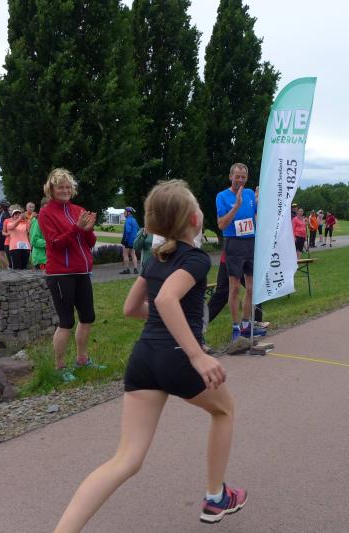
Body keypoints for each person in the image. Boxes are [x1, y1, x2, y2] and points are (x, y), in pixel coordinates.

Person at [54, 180, 245, 531]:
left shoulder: (156, 258)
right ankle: (216, 496)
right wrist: (197, 355)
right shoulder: (196, 259)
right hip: (178, 358)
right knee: (225, 410)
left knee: (126, 459)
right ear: (194, 219)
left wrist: (165, 320)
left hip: (144, 359)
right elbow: (166, 300)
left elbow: (131, 308)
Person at [39, 168, 103, 382]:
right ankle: (60, 367)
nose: (65, 190)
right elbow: (55, 244)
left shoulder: (78, 210)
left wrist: (88, 229)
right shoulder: (46, 213)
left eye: (68, 187)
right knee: (66, 321)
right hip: (60, 274)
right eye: (61, 187)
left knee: (88, 317)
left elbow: (90, 243)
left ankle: (82, 360)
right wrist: (77, 228)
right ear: (51, 189)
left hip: (82, 271)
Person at [216, 162, 267, 341]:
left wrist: (260, 203)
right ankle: (235, 327)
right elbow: (221, 225)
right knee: (235, 288)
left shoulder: (250, 193)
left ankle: (246, 325)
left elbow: (256, 216)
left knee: (251, 288)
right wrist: (236, 205)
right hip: (234, 243)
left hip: (250, 243)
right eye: (237, 177)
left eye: (243, 177)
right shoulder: (222, 196)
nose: (240, 180)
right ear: (231, 176)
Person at [2, 204, 32, 270]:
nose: (17, 216)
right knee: (16, 268)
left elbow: (29, 231)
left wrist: (27, 219)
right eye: (15, 214)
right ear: (12, 216)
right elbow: (13, 226)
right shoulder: (9, 223)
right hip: (15, 247)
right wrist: (19, 219)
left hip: (25, 247)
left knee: (24, 267)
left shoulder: (25, 223)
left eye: (19, 214)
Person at [30, 198, 49, 271]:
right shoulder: (37, 221)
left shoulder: (50, 220)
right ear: (41, 208)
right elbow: (34, 241)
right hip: (41, 259)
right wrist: (50, 243)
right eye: (47, 208)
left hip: (49, 258)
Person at [120, 206, 140, 275]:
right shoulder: (134, 220)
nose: (124, 213)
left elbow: (128, 231)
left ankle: (127, 269)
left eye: (125, 211)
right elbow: (138, 229)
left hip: (127, 240)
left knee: (125, 254)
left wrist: (126, 240)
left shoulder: (128, 220)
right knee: (133, 254)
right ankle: (135, 269)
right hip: (134, 240)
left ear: (128, 213)